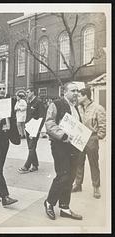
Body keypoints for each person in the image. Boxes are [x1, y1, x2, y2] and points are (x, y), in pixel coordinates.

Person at [44, 82, 83, 221]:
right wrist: (63, 135)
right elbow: (49, 123)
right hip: (60, 145)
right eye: (73, 90)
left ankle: (65, 207)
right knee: (63, 175)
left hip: (74, 147)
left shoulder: (76, 107)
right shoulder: (56, 104)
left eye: (77, 91)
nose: (76, 93)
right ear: (64, 92)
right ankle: (49, 202)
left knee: (71, 176)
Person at [72, 87, 106, 199]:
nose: (77, 98)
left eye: (79, 96)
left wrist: (97, 137)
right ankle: (78, 184)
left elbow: (103, 125)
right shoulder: (77, 108)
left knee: (93, 163)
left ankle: (96, 187)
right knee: (78, 162)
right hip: (80, 138)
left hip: (92, 138)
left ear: (86, 96)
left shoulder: (98, 108)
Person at [18, 88, 46, 174]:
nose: (26, 94)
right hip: (28, 127)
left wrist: (38, 130)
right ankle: (35, 165)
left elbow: (42, 117)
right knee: (31, 147)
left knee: (31, 147)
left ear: (33, 92)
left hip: (34, 128)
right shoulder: (29, 102)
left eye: (28, 92)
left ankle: (26, 166)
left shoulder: (38, 102)